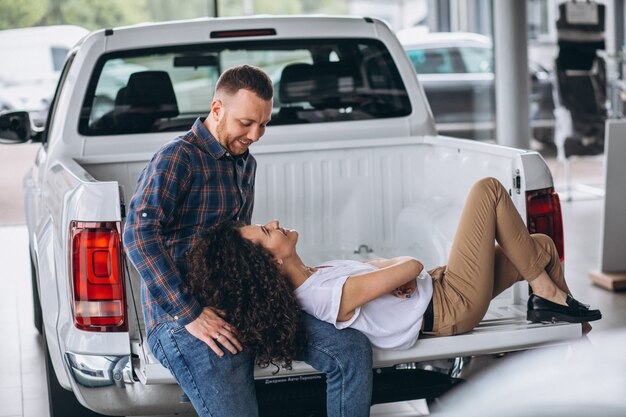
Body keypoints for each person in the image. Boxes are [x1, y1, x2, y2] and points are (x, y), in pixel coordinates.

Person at [123, 64, 373, 417]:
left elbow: (242, 250)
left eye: (263, 124)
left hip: (239, 305)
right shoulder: (177, 157)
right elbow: (137, 234)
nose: (255, 134)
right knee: (233, 360)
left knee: (350, 348)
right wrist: (189, 313)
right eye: (246, 123)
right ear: (217, 110)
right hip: (178, 318)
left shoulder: (244, 163)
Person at [187, 177, 601, 356]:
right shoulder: (321, 293)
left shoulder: (317, 274)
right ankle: (548, 297)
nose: (274, 222)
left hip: (439, 288)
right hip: (449, 305)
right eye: (266, 229)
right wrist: (397, 270)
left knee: (540, 249)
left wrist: (390, 273)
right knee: (488, 190)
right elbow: (410, 264)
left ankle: (576, 334)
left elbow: (389, 269)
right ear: (272, 260)